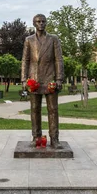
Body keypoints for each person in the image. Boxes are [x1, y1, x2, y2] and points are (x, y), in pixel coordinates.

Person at [21, 14, 64, 149]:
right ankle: (36, 137)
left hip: (50, 78)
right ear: (34, 24)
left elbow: (58, 59)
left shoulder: (54, 39)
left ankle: (55, 138)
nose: (41, 23)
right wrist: (23, 79)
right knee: (34, 110)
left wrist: (59, 78)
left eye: (43, 21)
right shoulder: (29, 40)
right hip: (34, 79)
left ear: (46, 23)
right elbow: (25, 60)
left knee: (53, 109)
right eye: (38, 21)